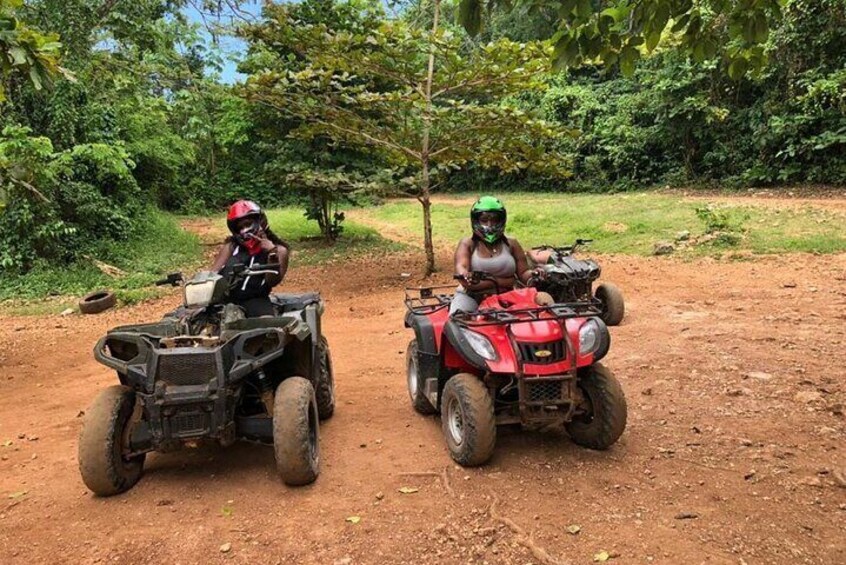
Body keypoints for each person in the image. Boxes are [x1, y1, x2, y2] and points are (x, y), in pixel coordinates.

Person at [450, 196, 542, 315]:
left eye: (495, 220)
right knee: (459, 321)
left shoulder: (511, 244)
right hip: (472, 297)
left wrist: (535, 274)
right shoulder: (468, 244)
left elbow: (523, 274)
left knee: (535, 318)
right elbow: (463, 274)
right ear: (475, 221)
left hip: (508, 297)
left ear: (502, 220)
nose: (490, 224)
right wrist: (506, 281)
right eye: (484, 220)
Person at [210, 200, 290, 317]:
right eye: (240, 228)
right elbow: (213, 274)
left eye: (248, 224)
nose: (244, 230)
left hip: (255, 301)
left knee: (268, 329)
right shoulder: (231, 247)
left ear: (260, 222)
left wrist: (272, 254)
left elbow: (272, 281)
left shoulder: (280, 250)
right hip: (224, 300)